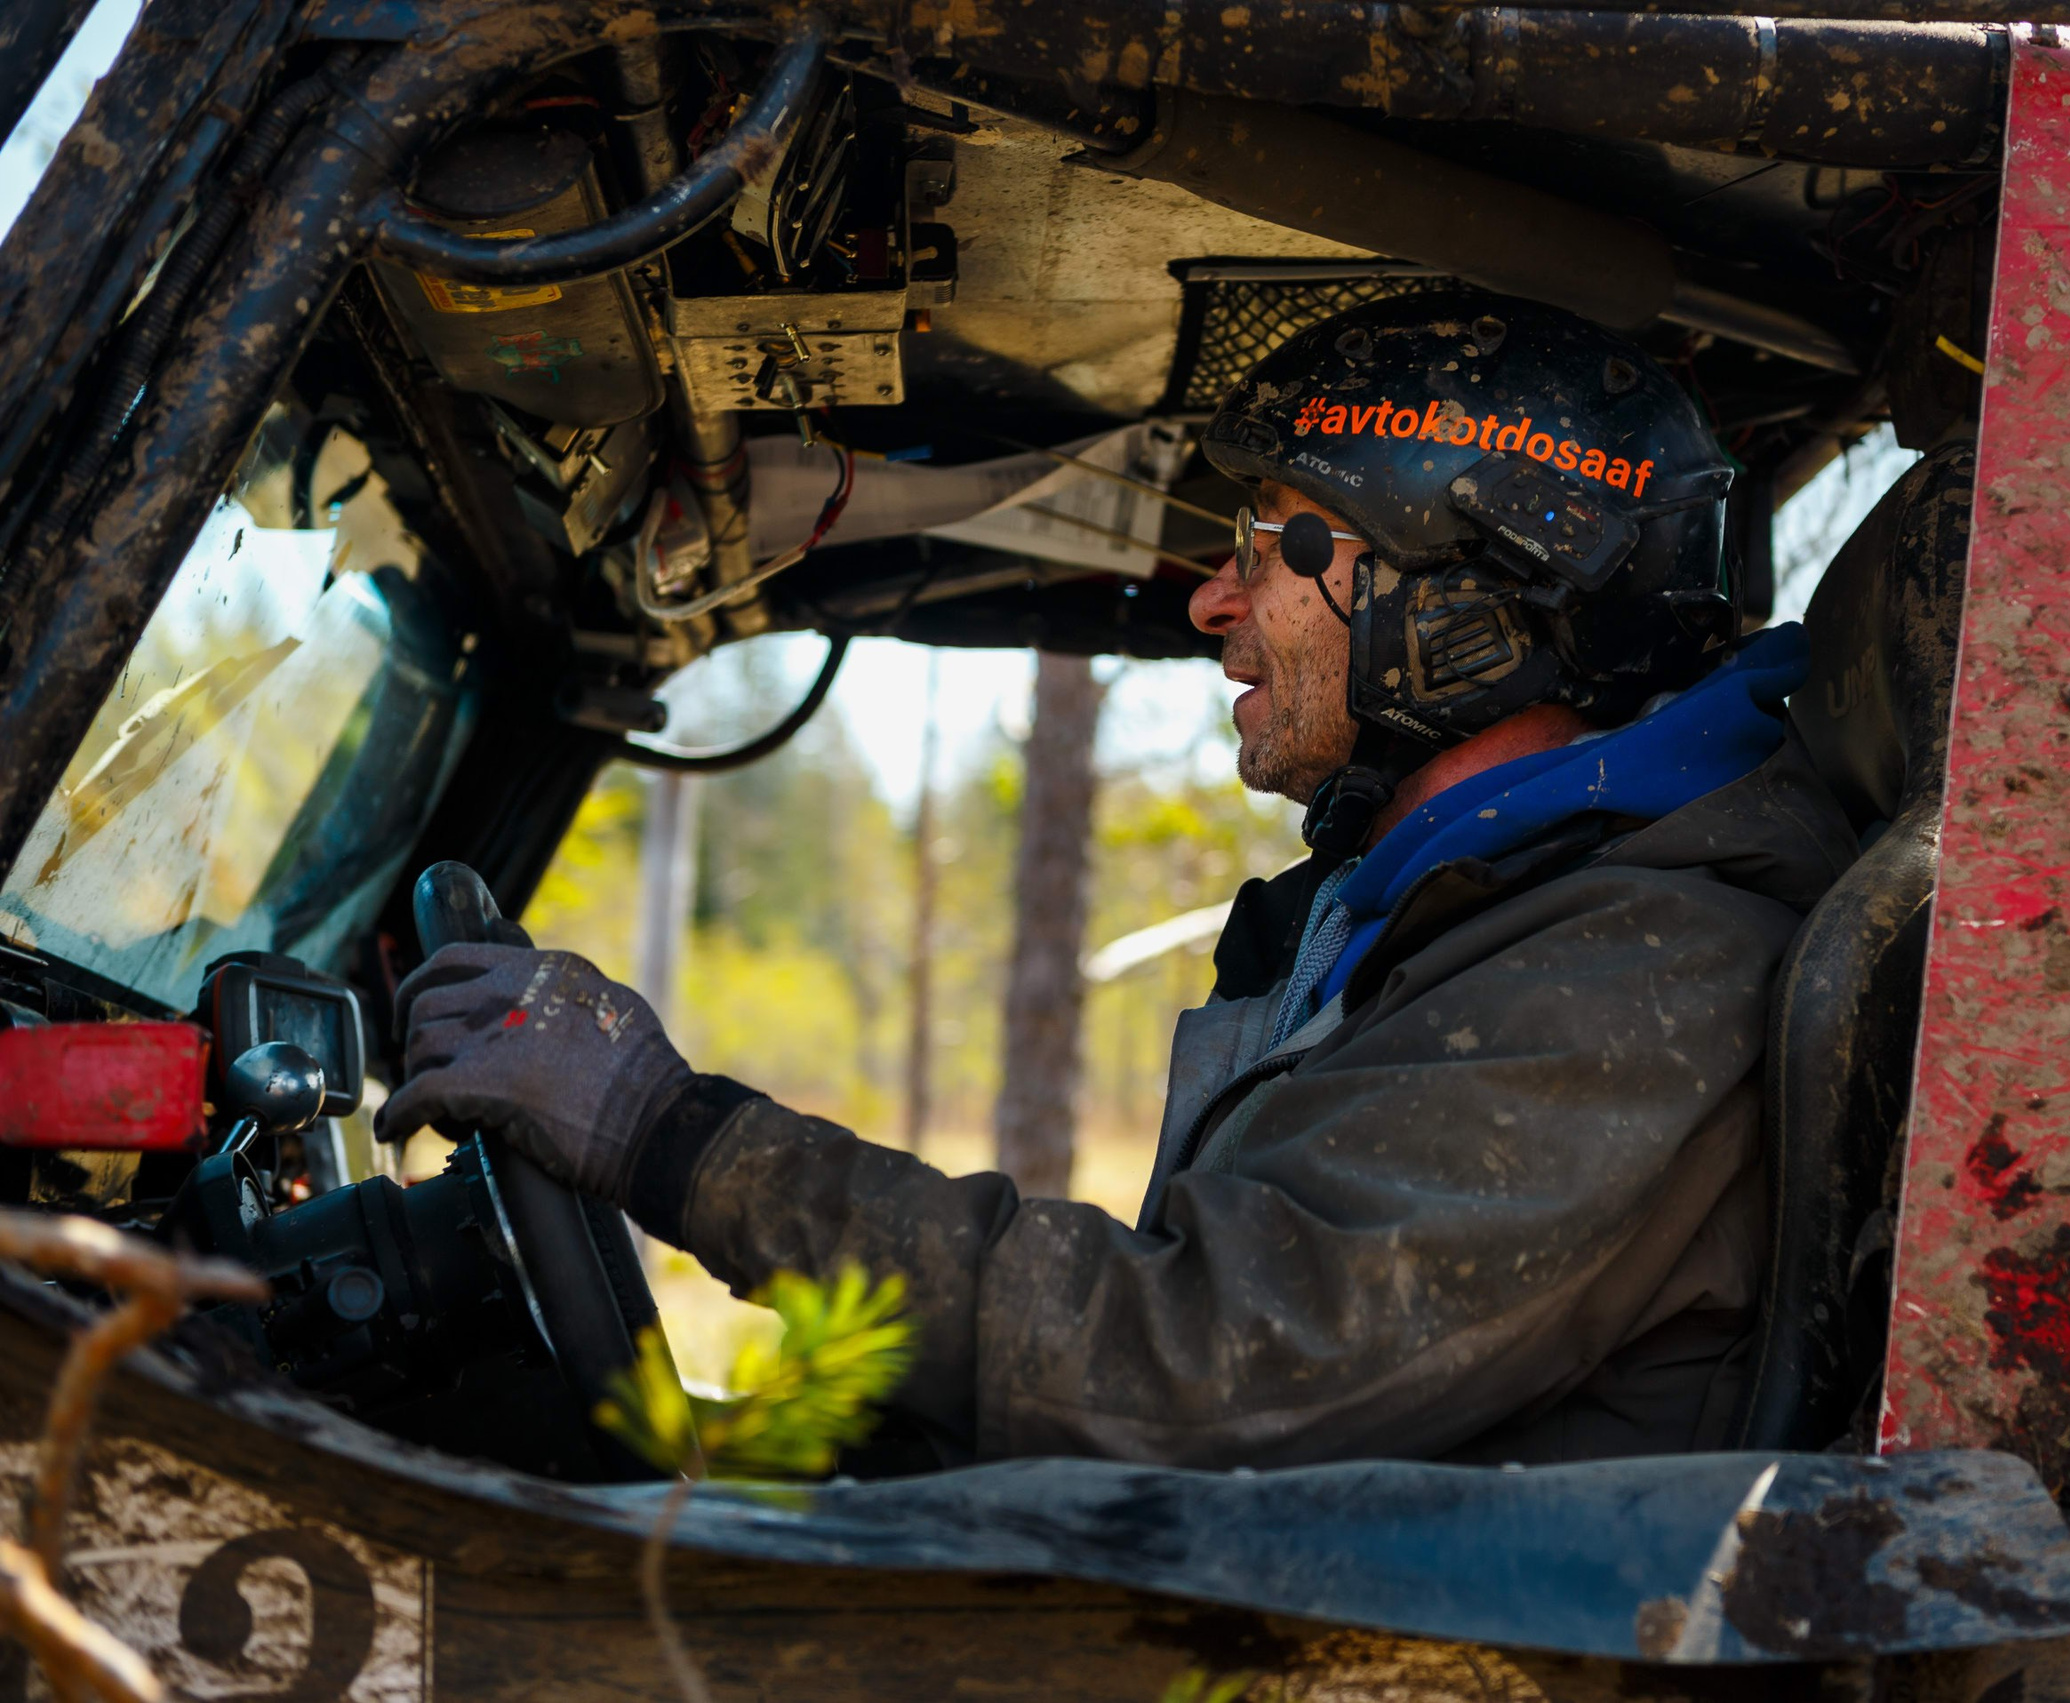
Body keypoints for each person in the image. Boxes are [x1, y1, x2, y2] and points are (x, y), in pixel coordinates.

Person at [380, 293, 1858, 1468]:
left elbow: (1199, 1367)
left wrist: (668, 1135)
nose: (1212, 599)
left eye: (1274, 543)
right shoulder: (1447, 921)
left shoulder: (1640, 974)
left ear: (1473, 601)